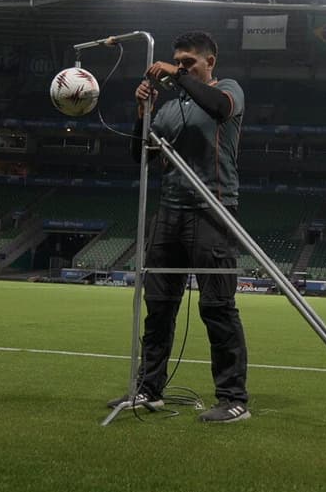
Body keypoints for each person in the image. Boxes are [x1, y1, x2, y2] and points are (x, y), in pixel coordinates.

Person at [109, 31, 249, 422]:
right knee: (159, 307)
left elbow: (219, 108)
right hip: (169, 212)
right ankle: (149, 390)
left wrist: (176, 74)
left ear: (210, 63)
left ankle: (233, 398)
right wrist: (143, 116)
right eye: (178, 61)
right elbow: (141, 156)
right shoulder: (171, 109)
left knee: (217, 306)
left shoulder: (228, 91)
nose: (181, 69)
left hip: (214, 211)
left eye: (189, 63)